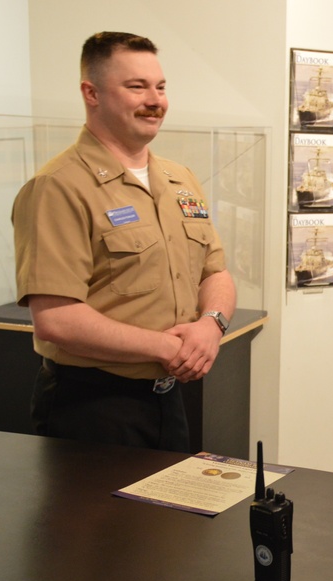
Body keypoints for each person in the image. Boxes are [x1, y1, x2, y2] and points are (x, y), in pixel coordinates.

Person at [12, 31, 236, 452]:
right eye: (136, 86)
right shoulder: (58, 187)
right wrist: (169, 347)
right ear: (91, 93)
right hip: (93, 407)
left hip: (168, 398)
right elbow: (57, 320)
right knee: (96, 520)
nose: (155, 100)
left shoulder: (179, 179)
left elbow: (216, 270)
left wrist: (212, 325)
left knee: (168, 520)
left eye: (160, 87)